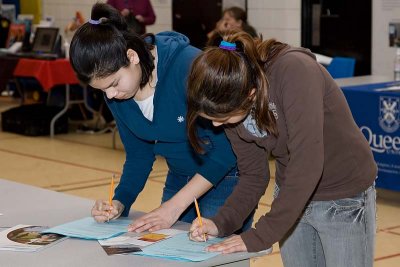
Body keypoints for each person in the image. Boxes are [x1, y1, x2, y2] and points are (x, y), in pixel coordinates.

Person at [187, 30, 377, 267]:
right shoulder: (231, 99)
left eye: (222, 118)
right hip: (291, 194)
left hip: (343, 195)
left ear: (250, 94)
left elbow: (307, 163)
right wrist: (220, 222)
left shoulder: (294, 71)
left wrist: (260, 236)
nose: (217, 125)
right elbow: (254, 176)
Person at [69, 3, 253, 234]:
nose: (110, 95)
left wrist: (175, 206)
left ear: (132, 56)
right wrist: (119, 202)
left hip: (226, 177)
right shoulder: (116, 93)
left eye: (114, 83)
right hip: (179, 176)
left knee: (217, 254)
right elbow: (139, 154)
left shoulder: (189, 67)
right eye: (102, 90)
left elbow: (227, 149)